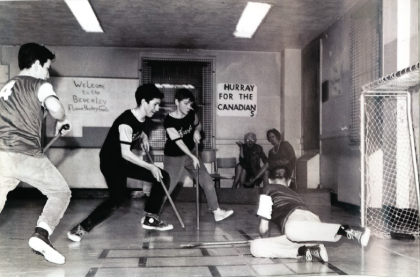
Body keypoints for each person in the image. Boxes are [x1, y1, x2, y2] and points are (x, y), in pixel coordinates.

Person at [67, 84, 173, 243]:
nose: (157, 108)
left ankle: (150, 218)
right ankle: (80, 229)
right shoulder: (126, 122)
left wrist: (143, 135)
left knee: (162, 176)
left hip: (123, 160)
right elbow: (126, 153)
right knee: (117, 200)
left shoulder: (142, 117)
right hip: (111, 162)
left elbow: (138, 128)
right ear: (144, 102)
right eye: (155, 104)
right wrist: (150, 166)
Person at [0, 43, 72, 264]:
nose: (48, 73)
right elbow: (56, 108)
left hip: (2, 155)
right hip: (26, 154)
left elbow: (20, 116)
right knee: (61, 192)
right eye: (47, 67)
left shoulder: (5, 87)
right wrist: (61, 116)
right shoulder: (39, 84)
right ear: (38, 64)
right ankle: (41, 234)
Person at [250, 166, 371, 262]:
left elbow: (264, 228)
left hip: (296, 225)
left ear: (269, 180)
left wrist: (264, 238)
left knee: (288, 231)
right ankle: (307, 250)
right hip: (309, 229)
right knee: (255, 247)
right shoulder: (294, 194)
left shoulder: (267, 189)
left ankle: (348, 230)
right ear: (289, 181)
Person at [163, 88, 233, 222]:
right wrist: (193, 156)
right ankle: (150, 214)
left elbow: (198, 125)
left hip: (191, 154)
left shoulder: (191, 114)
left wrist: (197, 131)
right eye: (186, 103)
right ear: (177, 102)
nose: (189, 107)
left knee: (207, 181)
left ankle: (216, 211)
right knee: (167, 188)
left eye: (191, 104)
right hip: (174, 157)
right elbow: (178, 142)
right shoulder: (169, 120)